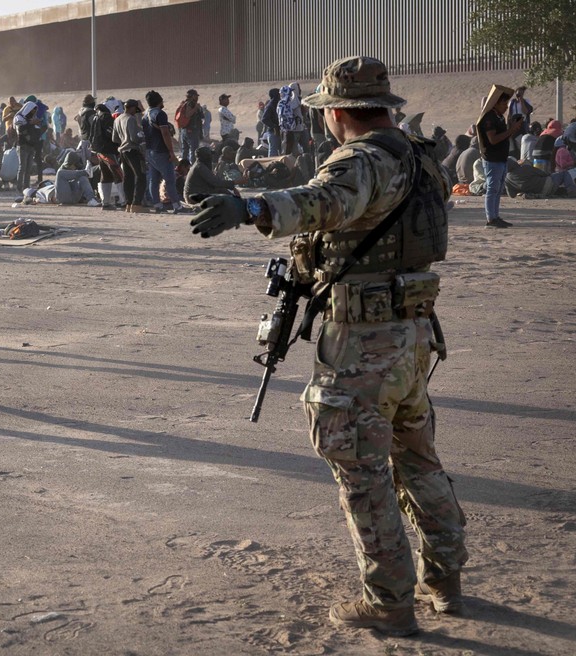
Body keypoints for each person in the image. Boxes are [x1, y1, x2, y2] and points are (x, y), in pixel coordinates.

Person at [191, 55, 466, 637]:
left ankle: (390, 599)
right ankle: (444, 577)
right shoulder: (417, 156)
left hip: (364, 346)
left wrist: (253, 207)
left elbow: (324, 202)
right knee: (417, 459)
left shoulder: (363, 158)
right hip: (413, 332)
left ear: (337, 112)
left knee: (362, 472)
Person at [477, 84, 524, 228]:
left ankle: (495, 216)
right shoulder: (489, 118)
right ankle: (491, 218)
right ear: (495, 103)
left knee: (498, 189)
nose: (506, 107)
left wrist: (511, 127)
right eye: (504, 104)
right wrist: (512, 129)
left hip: (501, 159)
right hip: (492, 159)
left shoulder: (498, 117)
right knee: (493, 189)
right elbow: (493, 139)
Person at [142, 90, 185, 214]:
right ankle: (177, 206)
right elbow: (165, 133)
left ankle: (157, 205)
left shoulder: (145, 115)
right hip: (161, 151)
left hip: (150, 151)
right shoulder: (160, 114)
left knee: (153, 180)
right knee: (170, 179)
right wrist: (171, 151)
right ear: (159, 101)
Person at [112, 99, 147, 213]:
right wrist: (142, 136)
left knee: (128, 178)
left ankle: (128, 203)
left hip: (122, 151)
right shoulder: (130, 119)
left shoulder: (117, 119)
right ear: (132, 108)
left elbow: (114, 139)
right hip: (132, 150)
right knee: (141, 176)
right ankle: (137, 204)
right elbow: (134, 138)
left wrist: (123, 141)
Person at [14, 101, 43, 193]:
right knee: (22, 167)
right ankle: (19, 188)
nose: (33, 113)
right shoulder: (19, 117)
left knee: (28, 168)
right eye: (32, 111)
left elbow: (37, 131)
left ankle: (26, 188)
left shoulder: (32, 119)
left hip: (31, 146)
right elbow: (20, 129)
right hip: (22, 145)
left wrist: (36, 124)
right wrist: (31, 124)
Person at [176, 89, 205, 161]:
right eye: (196, 96)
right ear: (192, 96)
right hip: (191, 130)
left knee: (185, 151)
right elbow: (187, 114)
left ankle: (183, 168)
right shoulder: (190, 104)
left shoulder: (184, 103)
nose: (197, 97)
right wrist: (196, 108)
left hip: (184, 130)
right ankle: (192, 168)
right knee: (193, 151)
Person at [507, 86, 533, 157]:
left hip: (523, 123)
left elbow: (526, 111)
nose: (519, 95)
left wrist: (521, 101)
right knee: (513, 139)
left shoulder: (526, 101)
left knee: (522, 139)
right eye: (518, 93)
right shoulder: (512, 102)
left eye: (521, 93)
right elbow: (509, 114)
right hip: (514, 122)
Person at [261, 88, 282, 156]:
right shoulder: (270, 105)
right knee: (273, 152)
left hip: (280, 131)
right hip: (273, 132)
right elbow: (264, 119)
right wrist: (274, 126)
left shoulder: (278, 104)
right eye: (278, 94)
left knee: (281, 151)